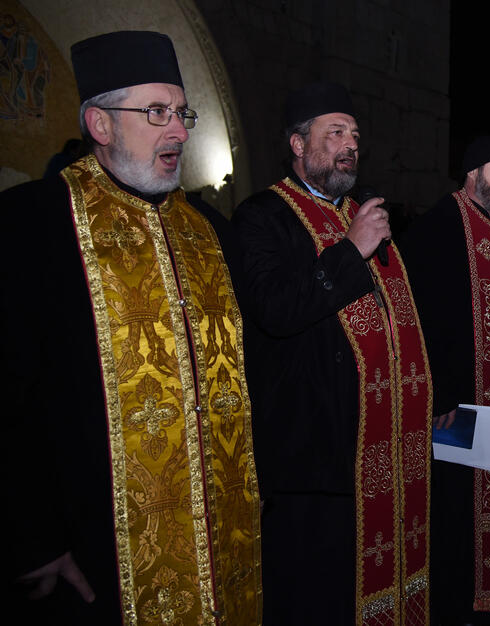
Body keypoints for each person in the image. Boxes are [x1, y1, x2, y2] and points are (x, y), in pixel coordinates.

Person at [1, 31, 261, 623]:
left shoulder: (211, 236)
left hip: (222, 543)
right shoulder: (31, 225)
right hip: (92, 548)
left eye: (181, 112)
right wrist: (31, 538)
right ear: (100, 123)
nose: (179, 130)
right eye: (156, 113)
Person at [232, 82, 431, 624]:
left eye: (355, 136)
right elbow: (274, 310)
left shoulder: (364, 211)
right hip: (311, 449)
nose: (350, 145)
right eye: (335, 134)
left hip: (380, 439)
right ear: (298, 145)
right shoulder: (261, 216)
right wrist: (350, 251)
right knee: (314, 591)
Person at [400, 136, 490, 623]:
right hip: (461, 402)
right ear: (472, 171)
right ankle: (454, 604)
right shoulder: (440, 224)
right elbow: (423, 315)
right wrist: (441, 391)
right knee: (458, 505)